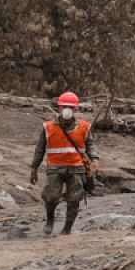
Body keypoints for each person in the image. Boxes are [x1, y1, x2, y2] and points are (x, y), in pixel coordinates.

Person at [29, 92, 97, 235]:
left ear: (76, 109)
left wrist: (94, 160)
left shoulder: (84, 127)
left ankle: (67, 228)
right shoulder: (48, 127)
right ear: (59, 108)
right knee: (50, 197)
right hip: (55, 167)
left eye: (70, 107)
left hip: (76, 168)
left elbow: (90, 145)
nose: (67, 110)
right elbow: (39, 149)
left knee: (74, 199)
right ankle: (50, 220)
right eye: (64, 107)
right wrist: (34, 168)